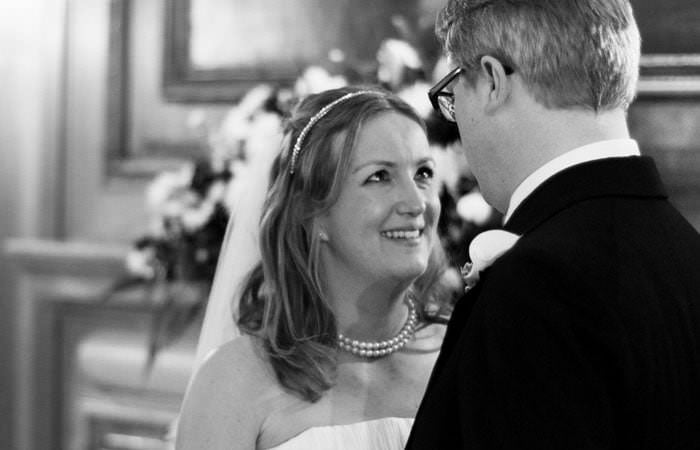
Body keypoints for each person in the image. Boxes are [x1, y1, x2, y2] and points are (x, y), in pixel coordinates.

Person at [407, 1, 700, 449]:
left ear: (491, 80)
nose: (456, 120)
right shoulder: (685, 249)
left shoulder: (538, 288)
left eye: (452, 91)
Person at [176, 86, 449, 449]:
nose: (417, 203)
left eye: (424, 173)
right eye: (380, 176)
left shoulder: (463, 353)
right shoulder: (236, 380)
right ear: (312, 212)